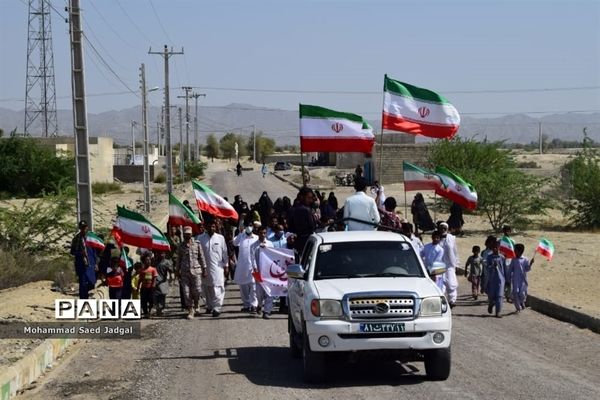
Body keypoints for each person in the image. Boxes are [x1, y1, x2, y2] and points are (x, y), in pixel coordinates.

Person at [197, 219, 229, 317]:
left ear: (216, 227)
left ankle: (217, 308)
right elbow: (197, 254)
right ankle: (210, 306)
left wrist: (226, 266)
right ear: (206, 227)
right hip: (205, 269)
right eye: (210, 226)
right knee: (207, 288)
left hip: (218, 268)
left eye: (213, 227)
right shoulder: (200, 238)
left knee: (217, 287)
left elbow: (224, 253)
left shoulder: (220, 238)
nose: (212, 228)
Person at [176, 226, 207, 319]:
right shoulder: (181, 246)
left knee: (197, 290)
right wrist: (177, 271)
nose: (187, 236)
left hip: (196, 271)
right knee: (186, 292)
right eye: (185, 234)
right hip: (185, 272)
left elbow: (201, 257)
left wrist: (204, 269)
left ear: (191, 234)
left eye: (188, 234)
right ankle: (190, 309)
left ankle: (197, 303)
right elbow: (178, 259)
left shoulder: (197, 244)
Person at [233, 224, 259, 312]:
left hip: (254, 266)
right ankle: (246, 305)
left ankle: (254, 305)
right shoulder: (241, 236)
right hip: (242, 267)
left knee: (254, 286)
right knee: (243, 286)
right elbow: (234, 243)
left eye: (250, 225)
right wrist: (240, 233)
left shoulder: (256, 238)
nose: (249, 227)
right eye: (247, 226)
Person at [251, 226, 274, 319]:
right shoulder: (253, 245)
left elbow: (273, 257)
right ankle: (259, 305)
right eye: (261, 233)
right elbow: (252, 258)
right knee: (259, 293)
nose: (263, 235)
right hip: (258, 272)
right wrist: (255, 269)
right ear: (258, 233)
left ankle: (267, 311)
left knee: (269, 293)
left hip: (269, 272)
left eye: (264, 233)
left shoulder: (270, 244)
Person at [69, 220, 97, 299]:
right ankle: (83, 300)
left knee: (92, 282)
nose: (83, 229)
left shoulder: (91, 237)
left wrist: (96, 263)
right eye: (82, 228)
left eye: (84, 227)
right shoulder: (76, 238)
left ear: (87, 227)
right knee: (82, 283)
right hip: (81, 264)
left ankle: (86, 294)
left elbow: (95, 251)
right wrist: (81, 254)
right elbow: (72, 251)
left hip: (91, 263)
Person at [287, 187, 317, 256]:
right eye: (308, 198)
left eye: (311, 198)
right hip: (305, 243)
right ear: (302, 197)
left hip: (298, 243)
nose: (311, 200)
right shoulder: (305, 210)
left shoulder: (294, 208)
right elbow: (311, 227)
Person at [438, 222, 459, 307]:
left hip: (449, 264)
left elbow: (455, 251)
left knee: (451, 283)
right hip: (438, 264)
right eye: (441, 228)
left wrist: (457, 263)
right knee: (440, 284)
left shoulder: (452, 238)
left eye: (444, 228)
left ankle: (452, 300)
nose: (442, 230)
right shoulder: (436, 237)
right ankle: (441, 301)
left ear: (447, 229)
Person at [508, 243, 534, 313]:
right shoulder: (513, 259)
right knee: (515, 293)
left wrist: (531, 264)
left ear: (520, 251)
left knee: (522, 294)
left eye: (515, 250)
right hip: (515, 279)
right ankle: (518, 307)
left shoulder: (525, 259)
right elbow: (510, 269)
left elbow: (527, 269)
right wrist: (508, 278)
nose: (514, 251)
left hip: (523, 280)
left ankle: (522, 302)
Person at [486, 240, 506, 318]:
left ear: (499, 248)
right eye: (494, 248)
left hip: (501, 280)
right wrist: (492, 266)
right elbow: (487, 267)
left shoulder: (502, 257)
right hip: (492, 280)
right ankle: (491, 304)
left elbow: (505, 269)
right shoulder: (489, 257)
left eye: (496, 247)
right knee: (491, 296)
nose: (495, 249)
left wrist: (507, 280)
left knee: (500, 296)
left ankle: (498, 312)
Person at [137, 252, 157, 318]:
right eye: (146, 260)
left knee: (151, 300)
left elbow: (154, 278)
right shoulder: (142, 270)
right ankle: (145, 313)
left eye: (149, 260)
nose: (148, 261)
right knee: (144, 301)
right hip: (144, 288)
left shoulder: (153, 269)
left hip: (151, 288)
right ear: (144, 261)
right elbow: (140, 279)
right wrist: (138, 287)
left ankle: (150, 310)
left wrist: (153, 285)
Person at [154, 250, 172, 317]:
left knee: (162, 295)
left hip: (163, 281)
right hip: (155, 281)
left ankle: (161, 309)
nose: (161, 255)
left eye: (162, 253)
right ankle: (157, 309)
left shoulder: (167, 262)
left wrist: (171, 277)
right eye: (160, 253)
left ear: (165, 254)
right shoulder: (155, 261)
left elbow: (171, 270)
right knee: (156, 296)